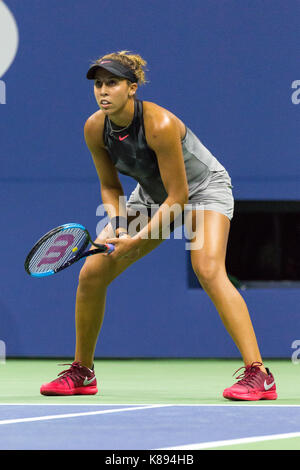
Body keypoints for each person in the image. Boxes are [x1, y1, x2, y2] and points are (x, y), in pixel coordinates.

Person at [40, 51, 277, 401]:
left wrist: (135, 241)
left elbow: (179, 197)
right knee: (92, 273)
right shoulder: (95, 128)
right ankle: (82, 372)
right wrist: (119, 224)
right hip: (152, 195)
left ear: (132, 88)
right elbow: (110, 186)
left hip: (201, 191)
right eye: (98, 84)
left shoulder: (159, 124)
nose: (103, 91)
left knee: (208, 269)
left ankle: (259, 374)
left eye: (113, 83)